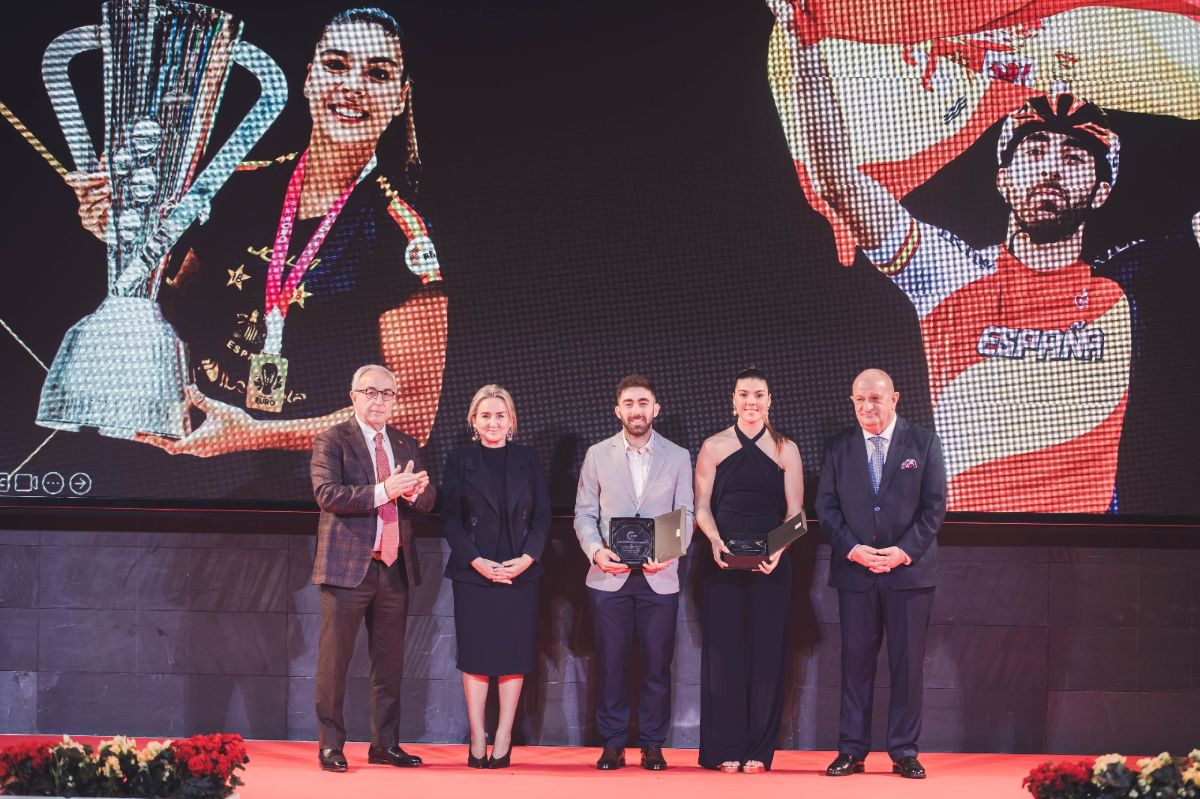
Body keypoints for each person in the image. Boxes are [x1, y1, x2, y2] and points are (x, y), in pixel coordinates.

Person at [765, 0, 1200, 514]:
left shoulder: (1128, 283)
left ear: (1101, 191)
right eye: (1034, 152)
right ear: (1002, 180)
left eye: (1075, 158)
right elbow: (838, 179)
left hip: (1091, 548)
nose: (1052, 170)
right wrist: (805, 44)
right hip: (979, 543)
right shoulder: (949, 271)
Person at [66, 6, 446, 468]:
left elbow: (413, 415)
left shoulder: (397, 233)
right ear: (308, 78)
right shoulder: (234, 184)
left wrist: (255, 435)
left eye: (378, 73)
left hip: (324, 477)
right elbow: (174, 303)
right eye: (336, 65)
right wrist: (123, 240)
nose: (352, 86)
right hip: (193, 450)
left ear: (400, 97)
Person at [815, 368, 946, 779]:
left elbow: (934, 507)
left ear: (894, 398)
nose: (867, 406)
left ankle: (904, 751)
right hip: (856, 574)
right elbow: (826, 506)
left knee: (907, 666)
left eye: (875, 398)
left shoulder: (924, 443)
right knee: (855, 665)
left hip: (908, 574)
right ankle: (851, 750)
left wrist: (902, 552)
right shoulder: (838, 447)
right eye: (859, 399)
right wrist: (853, 549)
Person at [309, 363, 435, 772]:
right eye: (370, 392)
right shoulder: (333, 440)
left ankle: (385, 744)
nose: (378, 400)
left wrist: (415, 493)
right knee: (335, 661)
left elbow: (427, 500)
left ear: (395, 400)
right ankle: (331, 745)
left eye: (386, 393)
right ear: (353, 397)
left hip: (394, 566)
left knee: (390, 663)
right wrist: (384, 490)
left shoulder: (405, 443)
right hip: (347, 568)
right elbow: (327, 494)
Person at [573, 374, 695, 771]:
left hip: (660, 576)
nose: (636, 410)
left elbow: (686, 514)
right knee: (611, 663)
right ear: (617, 410)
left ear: (655, 408)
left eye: (643, 403)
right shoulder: (597, 454)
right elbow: (584, 514)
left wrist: (668, 552)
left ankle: (652, 743)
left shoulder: (678, 456)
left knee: (657, 665)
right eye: (629, 403)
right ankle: (612, 743)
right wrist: (597, 552)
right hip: (609, 576)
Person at [694, 368, 803, 773]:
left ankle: (759, 748)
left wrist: (778, 550)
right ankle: (725, 747)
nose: (751, 401)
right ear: (733, 399)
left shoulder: (786, 449)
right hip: (721, 562)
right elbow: (701, 505)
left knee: (766, 654)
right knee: (723, 655)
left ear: (769, 400)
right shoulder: (713, 446)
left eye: (758, 394)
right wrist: (713, 539)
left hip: (771, 565)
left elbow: (796, 514)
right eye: (744, 394)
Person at [440, 385, 549, 769]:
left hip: (520, 572)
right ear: (473, 420)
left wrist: (527, 558)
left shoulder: (527, 459)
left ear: (511, 421)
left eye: (500, 415)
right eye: (485, 415)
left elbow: (543, 517)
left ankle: (503, 736)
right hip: (475, 574)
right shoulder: (460, 459)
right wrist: (476, 561)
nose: (493, 422)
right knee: (476, 656)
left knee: (512, 656)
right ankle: (477, 737)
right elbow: (450, 518)